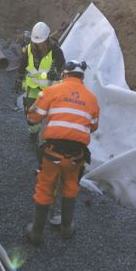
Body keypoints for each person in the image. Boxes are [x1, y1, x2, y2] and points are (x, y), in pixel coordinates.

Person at [25, 60, 99, 244]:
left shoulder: (51, 91)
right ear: (82, 77)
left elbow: (32, 117)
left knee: (45, 187)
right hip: (76, 155)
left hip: (53, 152)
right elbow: (93, 126)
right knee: (70, 186)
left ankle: (36, 233)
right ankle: (66, 229)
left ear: (64, 74)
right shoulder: (91, 98)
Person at [16, 22, 65, 141]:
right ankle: (33, 133)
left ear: (47, 39)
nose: (37, 44)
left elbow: (63, 70)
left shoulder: (56, 52)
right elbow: (22, 65)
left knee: (53, 117)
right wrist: (19, 77)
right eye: (35, 42)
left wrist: (57, 74)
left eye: (40, 42)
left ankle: (52, 138)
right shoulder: (28, 49)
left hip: (51, 90)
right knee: (32, 114)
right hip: (33, 88)